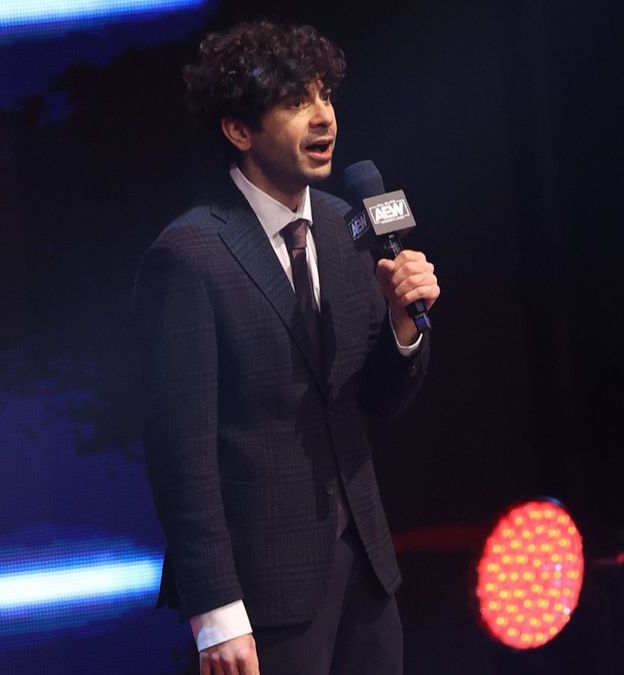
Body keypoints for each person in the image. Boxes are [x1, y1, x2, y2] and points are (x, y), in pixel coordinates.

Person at [133, 20, 439, 675]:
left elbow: (377, 399)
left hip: (365, 574)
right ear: (239, 130)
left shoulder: (345, 224)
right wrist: (215, 610)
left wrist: (403, 326)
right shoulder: (189, 256)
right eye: (296, 102)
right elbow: (179, 454)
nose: (322, 115)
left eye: (325, 95)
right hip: (261, 596)